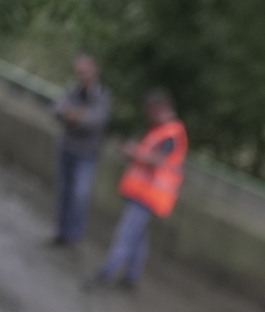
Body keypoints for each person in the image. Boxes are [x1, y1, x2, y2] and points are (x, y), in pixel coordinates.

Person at [90, 90, 186, 291]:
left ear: (160, 109)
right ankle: (131, 278)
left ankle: (105, 273)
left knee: (126, 234)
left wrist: (133, 152)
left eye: (151, 111)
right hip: (141, 192)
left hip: (148, 195)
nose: (148, 115)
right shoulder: (160, 131)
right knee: (138, 237)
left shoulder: (172, 133)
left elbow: (157, 160)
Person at [50, 54, 110, 246]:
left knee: (79, 195)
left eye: (85, 72)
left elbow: (95, 122)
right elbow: (57, 110)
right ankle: (62, 233)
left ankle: (74, 235)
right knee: (64, 192)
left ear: (94, 71)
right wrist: (78, 115)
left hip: (86, 154)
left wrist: (74, 115)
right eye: (79, 72)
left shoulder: (102, 96)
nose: (82, 76)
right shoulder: (72, 90)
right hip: (67, 147)